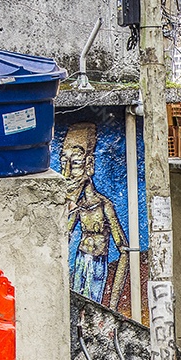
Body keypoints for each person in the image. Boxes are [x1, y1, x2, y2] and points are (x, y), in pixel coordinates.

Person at [59, 122, 128, 308]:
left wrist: (112, 306)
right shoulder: (78, 207)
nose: (66, 173)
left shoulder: (105, 206)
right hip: (81, 261)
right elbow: (63, 238)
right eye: (63, 162)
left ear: (89, 164)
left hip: (98, 264)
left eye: (75, 163)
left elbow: (123, 250)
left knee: (91, 309)